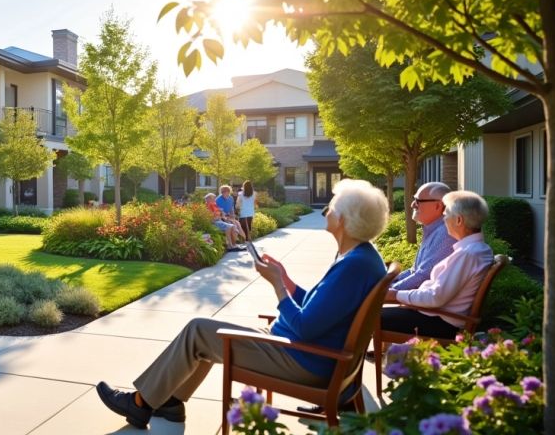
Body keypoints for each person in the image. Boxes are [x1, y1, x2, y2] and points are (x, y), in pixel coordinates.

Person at [95, 179, 389, 429]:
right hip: (308, 353)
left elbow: (305, 325)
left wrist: (275, 284)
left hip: (304, 359)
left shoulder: (353, 266)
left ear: (346, 221)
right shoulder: (361, 258)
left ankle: (139, 403)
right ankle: (169, 402)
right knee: (205, 336)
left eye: (334, 206)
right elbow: (321, 308)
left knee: (198, 331)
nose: (328, 209)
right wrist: (286, 279)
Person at [381, 191, 494, 339]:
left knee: (363, 316)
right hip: (435, 316)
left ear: (459, 220)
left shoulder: (468, 254)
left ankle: (348, 360)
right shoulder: (476, 250)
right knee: (367, 312)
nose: (444, 219)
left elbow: (435, 297)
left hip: (439, 322)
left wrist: (395, 295)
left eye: (446, 215)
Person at [390, 182, 457, 291]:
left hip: (423, 306)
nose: (412, 204)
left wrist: (383, 293)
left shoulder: (445, 234)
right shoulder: (435, 230)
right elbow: (414, 271)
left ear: (438, 206)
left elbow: (423, 277)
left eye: (418, 201)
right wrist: (386, 283)